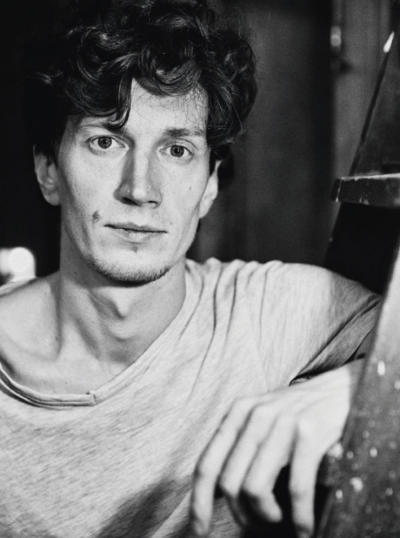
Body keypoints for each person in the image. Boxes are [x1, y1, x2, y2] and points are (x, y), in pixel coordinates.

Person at [0, 1, 379, 537]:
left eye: (177, 150)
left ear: (209, 185)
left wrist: (360, 388)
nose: (140, 189)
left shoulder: (269, 314)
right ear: (48, 171)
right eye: (105, 141)